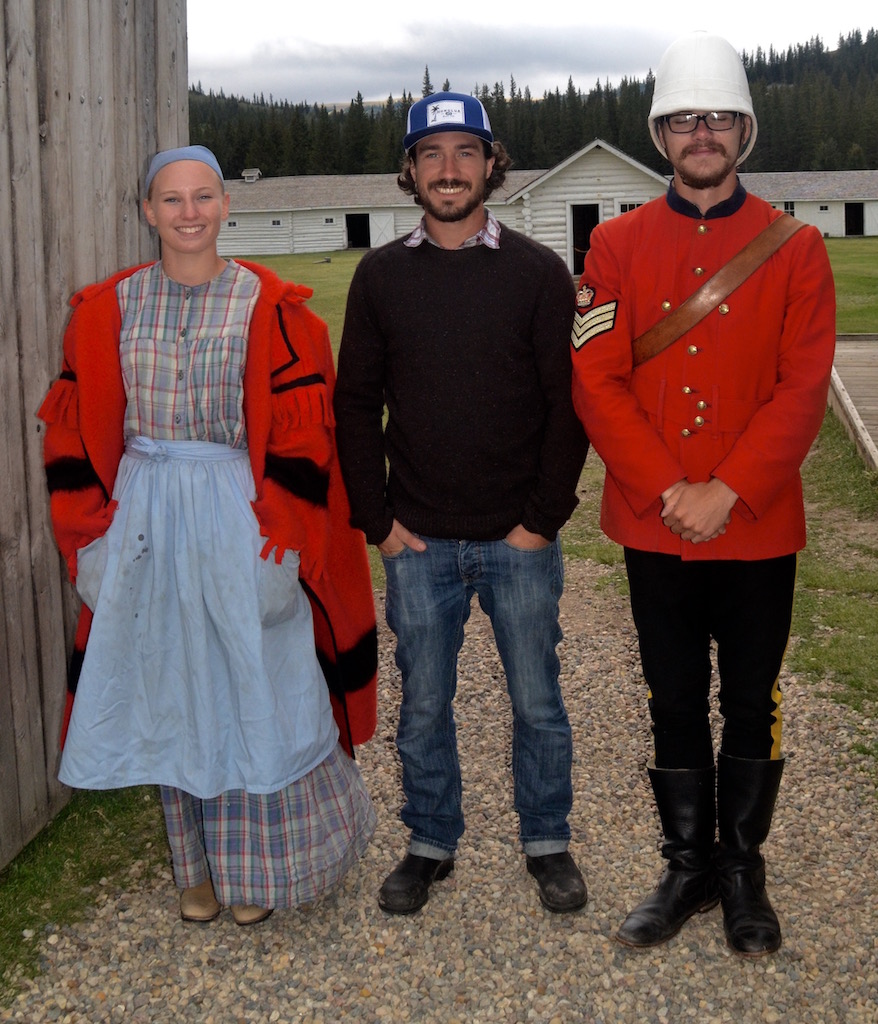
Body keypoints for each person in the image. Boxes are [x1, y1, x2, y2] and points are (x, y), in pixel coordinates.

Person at [39, 145, 379, 926]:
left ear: (227, 206)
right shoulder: (105, 310)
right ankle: (193, 869)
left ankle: (252, 870)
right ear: (148, 211)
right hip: (145, 515)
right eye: (171, 199)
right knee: (169, 681)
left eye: (202, 197)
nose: (188, 213)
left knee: (249, 678)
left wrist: (286, 540)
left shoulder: (273, 307)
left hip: (239, 509)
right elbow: (71, 433)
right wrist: (86, 541)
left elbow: (302, 437)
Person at [569, 32, 836, 956]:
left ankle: (741, 868)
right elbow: (594, 380)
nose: (702, 133)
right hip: (657, 520)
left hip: (755, 523)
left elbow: (803, 388)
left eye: (718, 117)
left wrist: (728, 489)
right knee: (672, 695)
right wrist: (668, 487)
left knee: (752, 697)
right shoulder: (612, 243)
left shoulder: (797, 247)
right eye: (685, 119)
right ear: (661, 134)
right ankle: (687, 865)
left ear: (745, 130)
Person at [334, 93, 589, 916]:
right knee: (424, 705)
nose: (449, 169)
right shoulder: (379, 276)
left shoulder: (539, 272)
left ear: (492, 163)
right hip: (420, 544)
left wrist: (541, 521)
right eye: (432, 153)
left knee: (538, 703)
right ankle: (430, 842)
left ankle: (547, 841)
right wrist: (379, 523)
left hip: (519, 542)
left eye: (465, 152)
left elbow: (567, 406)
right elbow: (353, 404)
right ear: (409, 171)